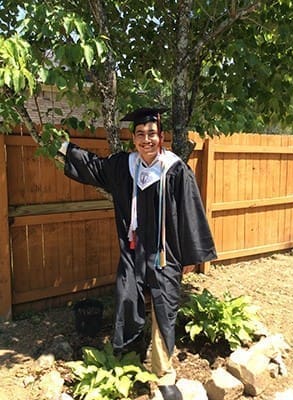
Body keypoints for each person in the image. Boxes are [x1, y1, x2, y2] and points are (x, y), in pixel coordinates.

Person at [59, 107, 217, 400]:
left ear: (161, 137)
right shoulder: (124, 166)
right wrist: (65, 147)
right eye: (141, 134)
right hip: (133, 250)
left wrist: (188, 257)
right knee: (127, 298)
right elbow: (94, 167)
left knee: (164, 307)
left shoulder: (175, 169)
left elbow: (189, 213)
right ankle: (129, 362)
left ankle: (165, 374)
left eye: (152, 134)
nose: (147, 140)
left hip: (164, 253)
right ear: (133, 138)